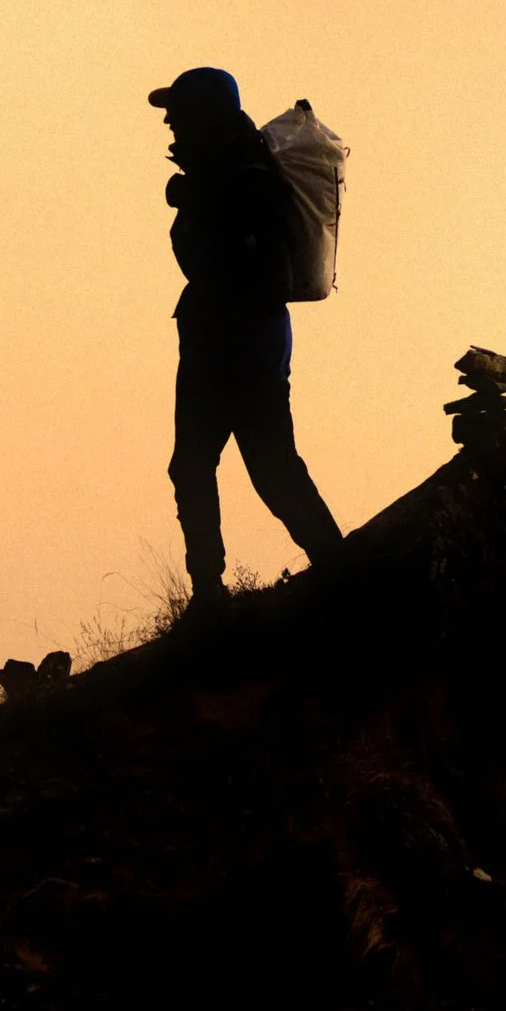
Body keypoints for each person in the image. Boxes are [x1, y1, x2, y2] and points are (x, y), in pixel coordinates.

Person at [151, 64, 343, 611]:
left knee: (266, 465)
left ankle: (334, 567)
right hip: (225, 339)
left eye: (178, 112)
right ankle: (212, 593)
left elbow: (244, 268)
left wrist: (196, 198)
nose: (169, 123)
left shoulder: (244, 177)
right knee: (212, 464)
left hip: (239, 344)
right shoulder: (224, 172)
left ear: (204, 115)